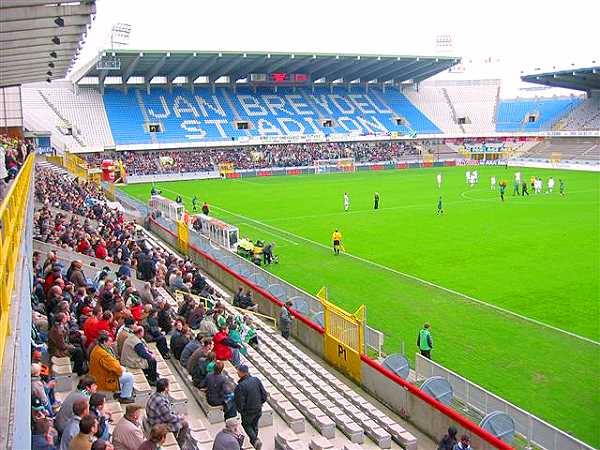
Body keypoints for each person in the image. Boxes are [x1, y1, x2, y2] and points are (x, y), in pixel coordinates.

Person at [88, 332, 135, 404]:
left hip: (100, 374)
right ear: (104, 342)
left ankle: (121, 391)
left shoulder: (97, 348)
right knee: (130, 377)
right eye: (109, 341)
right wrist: (120, 371)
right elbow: (117, 370)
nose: (112, 343)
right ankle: (124, 397)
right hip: (104, 379)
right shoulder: (103, 354)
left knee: (124, 370)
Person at [145, 379, 192, 449]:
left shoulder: (154, 395)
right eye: (168, 386)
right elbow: (169, 418)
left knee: (176, 421)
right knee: (185, 424)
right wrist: (180, 417)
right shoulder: (161, 402)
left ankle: (175, 437)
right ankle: (179, 444)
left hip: (153, 419)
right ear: (165, 388)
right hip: (157, 425)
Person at [234, 365, 268, 450]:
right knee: (255, 425)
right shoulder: (256, 380)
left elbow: (239, 402)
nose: (237, 373)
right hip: (258, 408)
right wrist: (260, 403)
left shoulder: (240, 386)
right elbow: (264, 394)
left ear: (242, 373)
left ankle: (255, 440)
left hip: (248, 411)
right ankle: (254, 443)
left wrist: (241, 411)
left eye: (238, 371)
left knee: (246, 425)